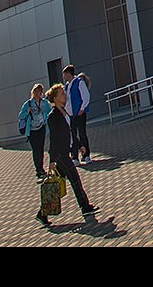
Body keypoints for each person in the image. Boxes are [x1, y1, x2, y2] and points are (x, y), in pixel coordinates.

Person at [38, 83, 96, 225]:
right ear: (55, 98)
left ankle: (42, 213)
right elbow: (53, 139)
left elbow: (70, 133)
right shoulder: (53, 116)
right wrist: (51, 160)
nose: (64, 95)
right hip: (60, 155)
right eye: (62, 93)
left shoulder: (64, 111)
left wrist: (79, 145)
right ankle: (85, 207)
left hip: (65, 152)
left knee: (58, 184)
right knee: (75, 179)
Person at [18, 83, 51, 179]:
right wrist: (27, 112)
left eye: (39, 91)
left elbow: (50, 112)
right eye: (36, 91)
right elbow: (20, 116)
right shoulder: (28, 103)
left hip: (41, 128)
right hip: (32, 130)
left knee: (40, 149)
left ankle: (41, 168)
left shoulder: (44, 103)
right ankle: (38, 169)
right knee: (35, 149)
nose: (37, 93)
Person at [62, 66, 93, 164]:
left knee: (82, 133)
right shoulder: (67, 86)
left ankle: (86, 155)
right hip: (70, 115)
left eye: (64, 74)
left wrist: (82, 108)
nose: (63, 76)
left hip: (79, 113)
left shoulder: (79, 82)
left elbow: (86, 96)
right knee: (73, 135)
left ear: (68, 73)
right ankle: (75, 157)